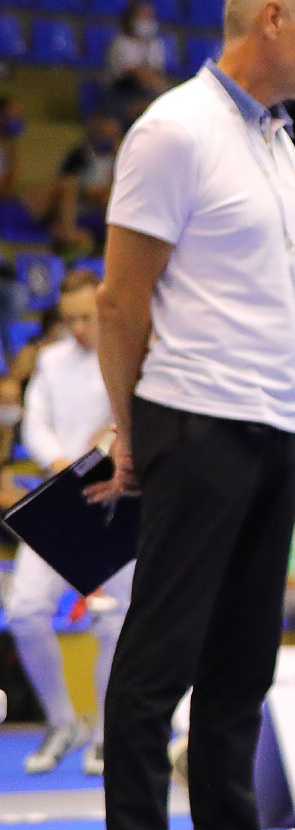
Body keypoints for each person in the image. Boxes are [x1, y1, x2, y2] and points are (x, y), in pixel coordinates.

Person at [96, 0, 295, 830]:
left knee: (245, 661)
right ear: (272, 22)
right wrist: (130, 429)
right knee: (162, 654)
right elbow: (121, 299)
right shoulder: (175, 131)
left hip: (272, 422)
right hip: (194, 418)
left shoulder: (279, 141)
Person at [4, 271, 128, 776]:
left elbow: (130, 417)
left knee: (114, 621)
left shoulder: (127, 354)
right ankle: (62, 721)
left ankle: (103, 732)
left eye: (87, 317)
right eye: (70, 319)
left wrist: (103, 448)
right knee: (24, 610)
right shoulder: (52, 363)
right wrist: (60, 463)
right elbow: (34, 422)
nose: (78, 327)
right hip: (59, 498)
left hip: (114, 502)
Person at [47, 112, 122, 255]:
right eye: (107, 133)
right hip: (81, 204)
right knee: (68, 187)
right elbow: (65, 182)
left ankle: (116, 245)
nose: (111, 138)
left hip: (104, 203)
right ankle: (68, 231)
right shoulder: (80, 154)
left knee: (111, 199)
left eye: (114, 134)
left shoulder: (119, 156)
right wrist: (87, 192)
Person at [104, 0, 173, 112]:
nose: (147, 21)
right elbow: (137, 74)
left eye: (150, 17)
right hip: (120, 94)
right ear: (131, 19)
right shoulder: (120, 43)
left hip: (147, 93)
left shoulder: (156, 45)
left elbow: (158, 73)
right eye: (143, 16)